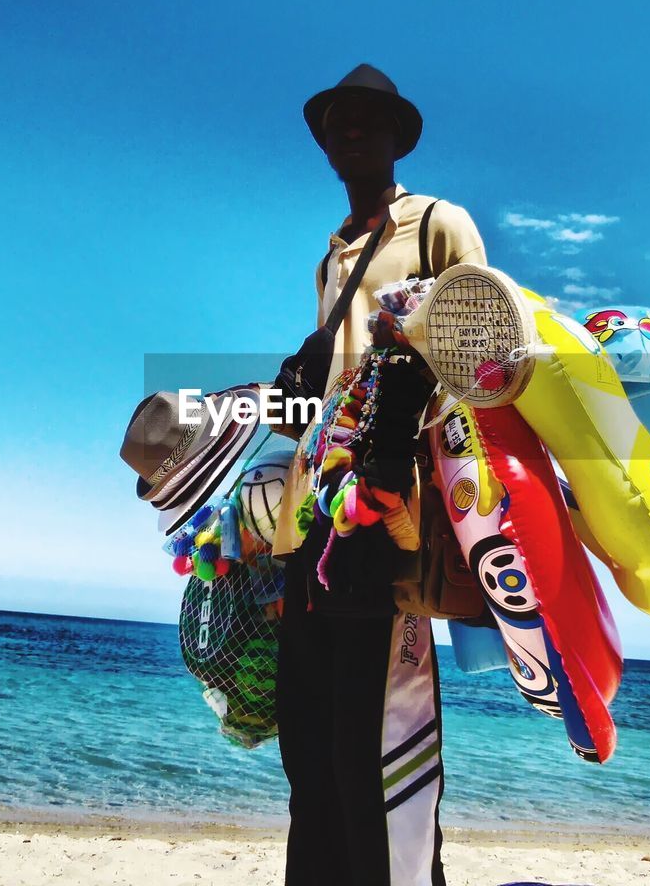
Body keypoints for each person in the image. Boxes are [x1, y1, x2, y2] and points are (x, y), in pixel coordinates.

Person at [271, 64, 487, 886]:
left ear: (398, 135)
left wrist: (396, 444)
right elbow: (329, 399)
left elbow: (481, 350)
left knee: (376, 756)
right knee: (310, 754)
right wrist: (291, 394)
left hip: (389, 516)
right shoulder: (330, 261)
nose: (350, 131)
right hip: (312, 521)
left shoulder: (438, 223)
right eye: (338, 121)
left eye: (367, 119)